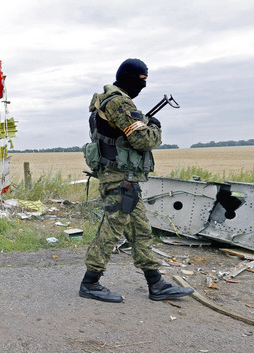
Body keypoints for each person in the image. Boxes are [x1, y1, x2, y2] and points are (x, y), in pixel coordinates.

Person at [79, 59, 193, 303]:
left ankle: (156, 283)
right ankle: (90, 282)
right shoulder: (118, 101)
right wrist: (155, 127)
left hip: (125, 178)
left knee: (140, 230)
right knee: (111, 229)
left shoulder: (108, 100)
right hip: (120, 179)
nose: (143, 86)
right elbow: (143, 140)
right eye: (140, 80)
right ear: (127, 77)